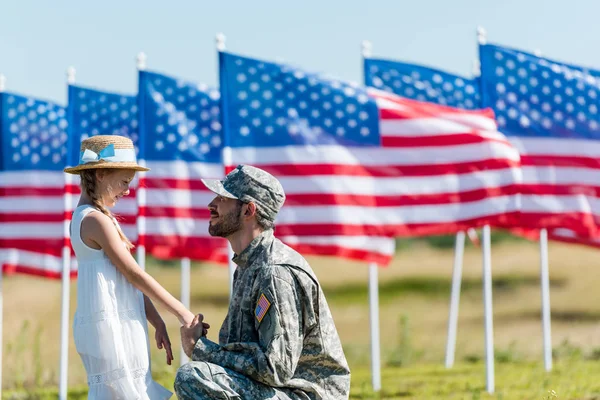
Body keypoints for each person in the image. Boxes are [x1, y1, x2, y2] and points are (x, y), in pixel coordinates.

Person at [174, 165, 351, 400]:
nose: (211, 204)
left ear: (249, 210)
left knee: (193, 376)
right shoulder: (250, 264)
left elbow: (275, 368)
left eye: (223, 198)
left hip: (302, 394)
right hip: (280, 390)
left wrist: (202, 349)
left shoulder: (274, 273)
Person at [65, 135, 209, 399]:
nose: (127, 190)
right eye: (123, 182)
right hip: (110, 325)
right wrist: (183, 314)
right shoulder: (95, 220)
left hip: (119, 319)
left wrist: (156, 321)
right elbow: (134, 273)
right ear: (100, 174)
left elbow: (123, 277)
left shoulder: (93, 217)